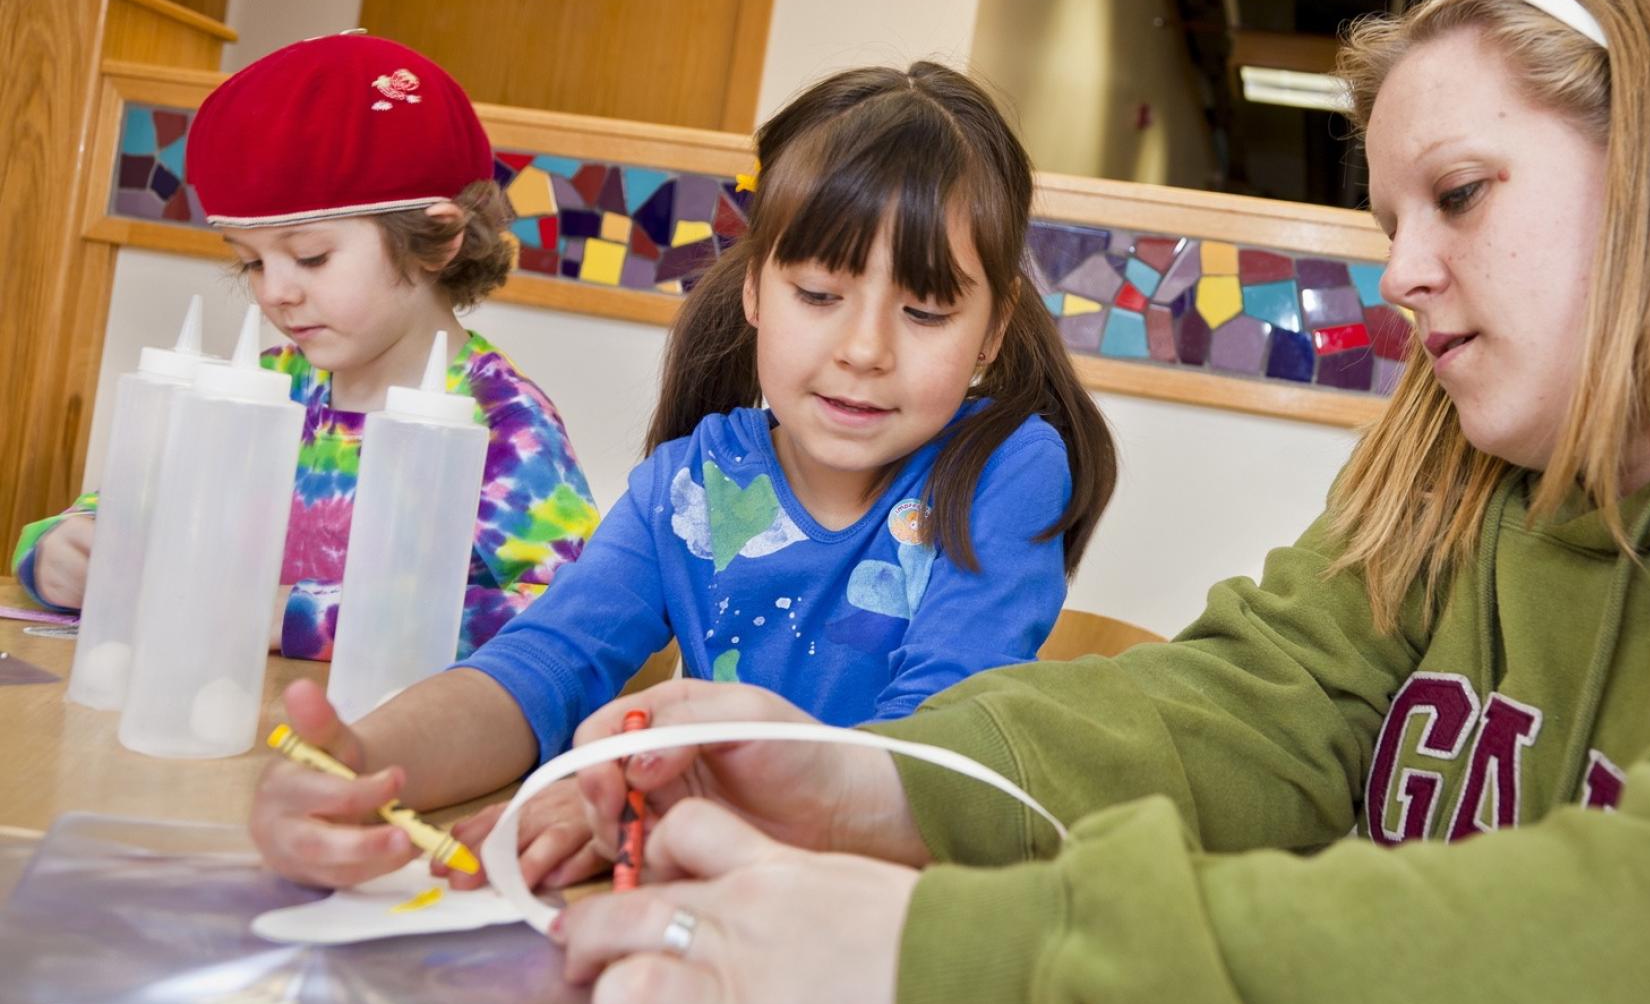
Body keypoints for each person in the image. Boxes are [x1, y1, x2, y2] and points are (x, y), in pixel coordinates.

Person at [543, 0, 1650, 1004]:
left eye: (1460, 195)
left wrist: (954, 964)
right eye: (1389, 225)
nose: (1406, 273)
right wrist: (863, 779)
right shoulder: (1450, 483)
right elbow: (1249, 704)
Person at [250, 61, 1119, 891]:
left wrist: (665, 797)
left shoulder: (1008, 469)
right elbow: (539, 669)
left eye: (926, 311)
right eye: (819, 295)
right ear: (754, 292)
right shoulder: (688, 485)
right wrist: (360, 766)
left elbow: (933, 758)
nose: (865, 351)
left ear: (994, 331)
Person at [10, 33, 599, 661]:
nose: (276, 293)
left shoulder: (503, 423)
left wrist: (299, 615)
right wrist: (58, 551)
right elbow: (113, 511)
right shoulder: (262, 391)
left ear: (438, 237)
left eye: (310, 256)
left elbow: (578, 620)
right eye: (251, 264)